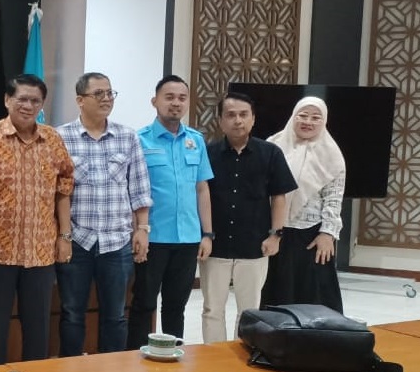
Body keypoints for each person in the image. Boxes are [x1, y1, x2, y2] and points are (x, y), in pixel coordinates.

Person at [0, 73, 74, 364]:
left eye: (35, 100)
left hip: (40, 251)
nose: (28, 105)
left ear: (42, 104)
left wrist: (65, 236)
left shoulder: (52, 139)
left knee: (38, 329)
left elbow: (63, 189)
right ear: (7, 100)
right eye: (22, 99)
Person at [55, 73, 151, 356]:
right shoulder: (61, 137)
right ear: (80, 100)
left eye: (110, 93)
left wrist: (142, 229)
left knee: (116, 315)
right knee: (72, 313)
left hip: (117, 242)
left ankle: (112, 371)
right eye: (99, 94)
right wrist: (63, 237)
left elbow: (139, 188)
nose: (106, 99)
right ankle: (69, 370)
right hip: (77, 240)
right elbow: (56, 192)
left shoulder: (127, 136)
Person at [201, 91, 297, 342]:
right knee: (212, 310)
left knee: (249, 311)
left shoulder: (271, 153)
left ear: (253, 119)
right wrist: (205, 235)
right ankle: (214, 357)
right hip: (216, 245)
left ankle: (241, 357)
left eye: (244, 115)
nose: (237, 120)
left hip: (255, 245)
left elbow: (279, 197)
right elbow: (200, 195)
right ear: (220, 120)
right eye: (230, 115)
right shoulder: (207, 153)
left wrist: (276, 235)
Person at [127, 75, 215, 350]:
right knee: (144, 302)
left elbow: (202, 188)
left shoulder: (196, 140)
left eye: (181, 98)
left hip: (187, 237)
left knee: (177, 305)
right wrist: (137, 231)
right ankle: (135, 357)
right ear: (155, 101)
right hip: (152, 237)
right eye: (169, 97)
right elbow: (132, 191)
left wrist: (207, 233)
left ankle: (172, 355)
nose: (176, 103)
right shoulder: (139, 140)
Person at [261, 96, 346, 312]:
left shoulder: (332, 154)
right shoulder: (273, 145)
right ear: (293, 116)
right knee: (274, 292)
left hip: (311, 235)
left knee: (313, 296)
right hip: (274, 231)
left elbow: (334, 198)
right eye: (303, 115)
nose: (308, 121)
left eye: (316, 117)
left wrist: (327, 234)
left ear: (324, 121)